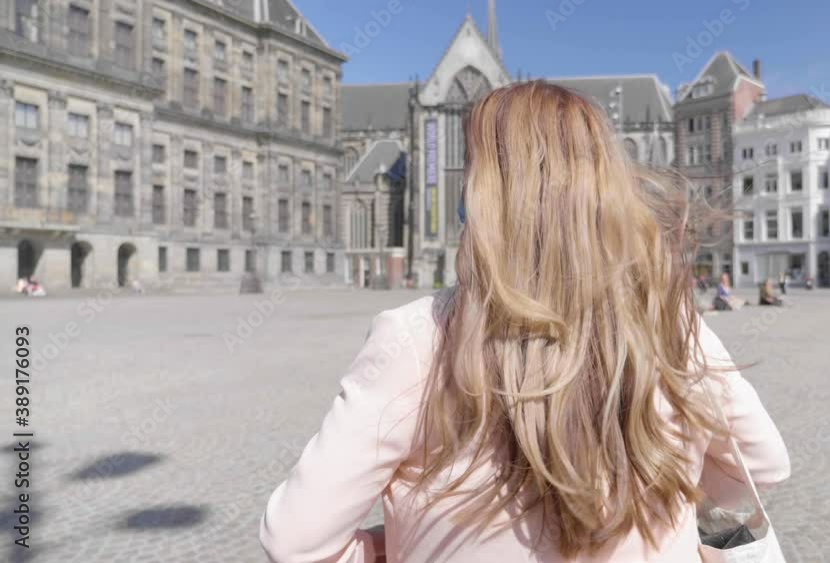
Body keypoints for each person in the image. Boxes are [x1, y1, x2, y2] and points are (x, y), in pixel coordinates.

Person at [259, 82, 790, 563]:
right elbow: (764, 466)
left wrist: (390, 547)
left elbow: (295, 543)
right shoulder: (667, 321)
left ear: (483, 195)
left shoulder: (418, 335)